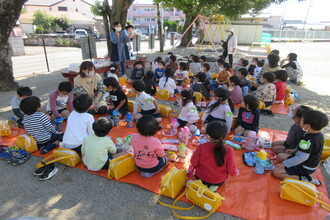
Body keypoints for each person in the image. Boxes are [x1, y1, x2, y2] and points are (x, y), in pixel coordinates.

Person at [272, 110, 329, 186]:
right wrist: (295, 150)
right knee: (281, 157)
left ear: (307, 126)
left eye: (301, 120)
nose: (300, 122)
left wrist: (285, 163)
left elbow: (301, 157)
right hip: (310, 163)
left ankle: (305, 178)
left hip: (305, 166)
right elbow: (310, 149)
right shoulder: (319, 135)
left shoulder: (307, 139)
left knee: (276, 172)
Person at [191, 121, 238, 191]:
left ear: (207, 135)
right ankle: (213, 187)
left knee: (203, 181)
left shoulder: (201, 147)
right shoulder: (229, 150)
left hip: (200, 177)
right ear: (225, 136)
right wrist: (234, 172)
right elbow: (231, 169)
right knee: (215, 182)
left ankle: (203, 185)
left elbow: (193, 162)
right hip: (218, 180)